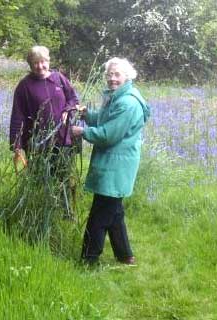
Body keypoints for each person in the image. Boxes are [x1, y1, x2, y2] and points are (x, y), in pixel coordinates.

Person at [71, 57, 150, 266]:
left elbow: (108, 134)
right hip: (115, 163)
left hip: (116, 165)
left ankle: (89, 259)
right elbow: (105, 120)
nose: (112, 79)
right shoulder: (118, 97)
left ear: (127, 76)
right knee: (114, 211)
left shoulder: (128, 103)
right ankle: (125, 255)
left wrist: (81, 131)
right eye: (109, 74)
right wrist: (88, 115)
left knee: (99, 214)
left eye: (117, 75)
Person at [9, 45, 80, 217]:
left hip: (62, 140)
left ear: (48, 61)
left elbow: (73, 98)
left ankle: (67, 213)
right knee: (40, 178)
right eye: (35, 63)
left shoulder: (59, 79)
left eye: (42, 62)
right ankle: (41, 211)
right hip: (37, 144)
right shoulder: (24, 86)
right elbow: (17, 116)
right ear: (30, 65)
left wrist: (67, 109)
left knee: (63, 176)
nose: (40, 66)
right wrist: (16, 146)